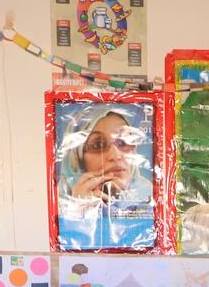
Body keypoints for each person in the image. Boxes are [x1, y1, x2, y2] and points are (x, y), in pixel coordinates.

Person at [56, 105, 155, 250]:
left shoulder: (153, 199)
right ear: (78, 157)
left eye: (124, 142)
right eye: (98, 145)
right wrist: (78, 214)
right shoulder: (59, 205)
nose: (115, 156)